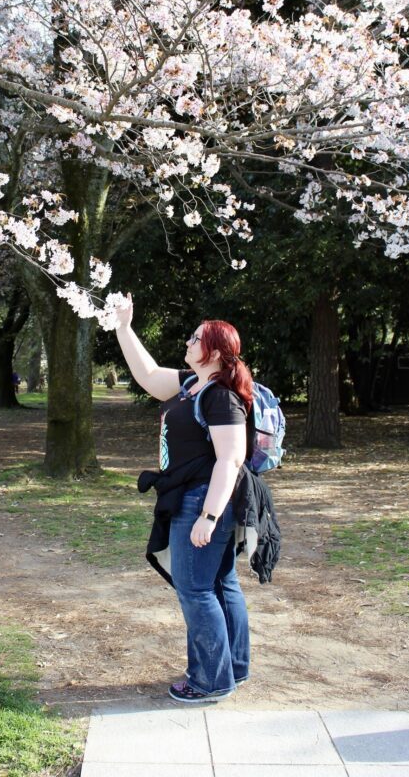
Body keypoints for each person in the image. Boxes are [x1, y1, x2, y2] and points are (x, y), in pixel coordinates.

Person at [115, 294, 251, 704]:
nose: (188, 343)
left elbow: (231, 458)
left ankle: (210, 680)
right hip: (195, 497)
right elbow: (149, 374)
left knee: (195, 590)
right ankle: (232, 668)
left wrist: (208, 517)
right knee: (221, 584)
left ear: (213, 351)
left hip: (203, 501)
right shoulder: (193, 384)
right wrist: (124, 326)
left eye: (195, 339)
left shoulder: (219, 395)